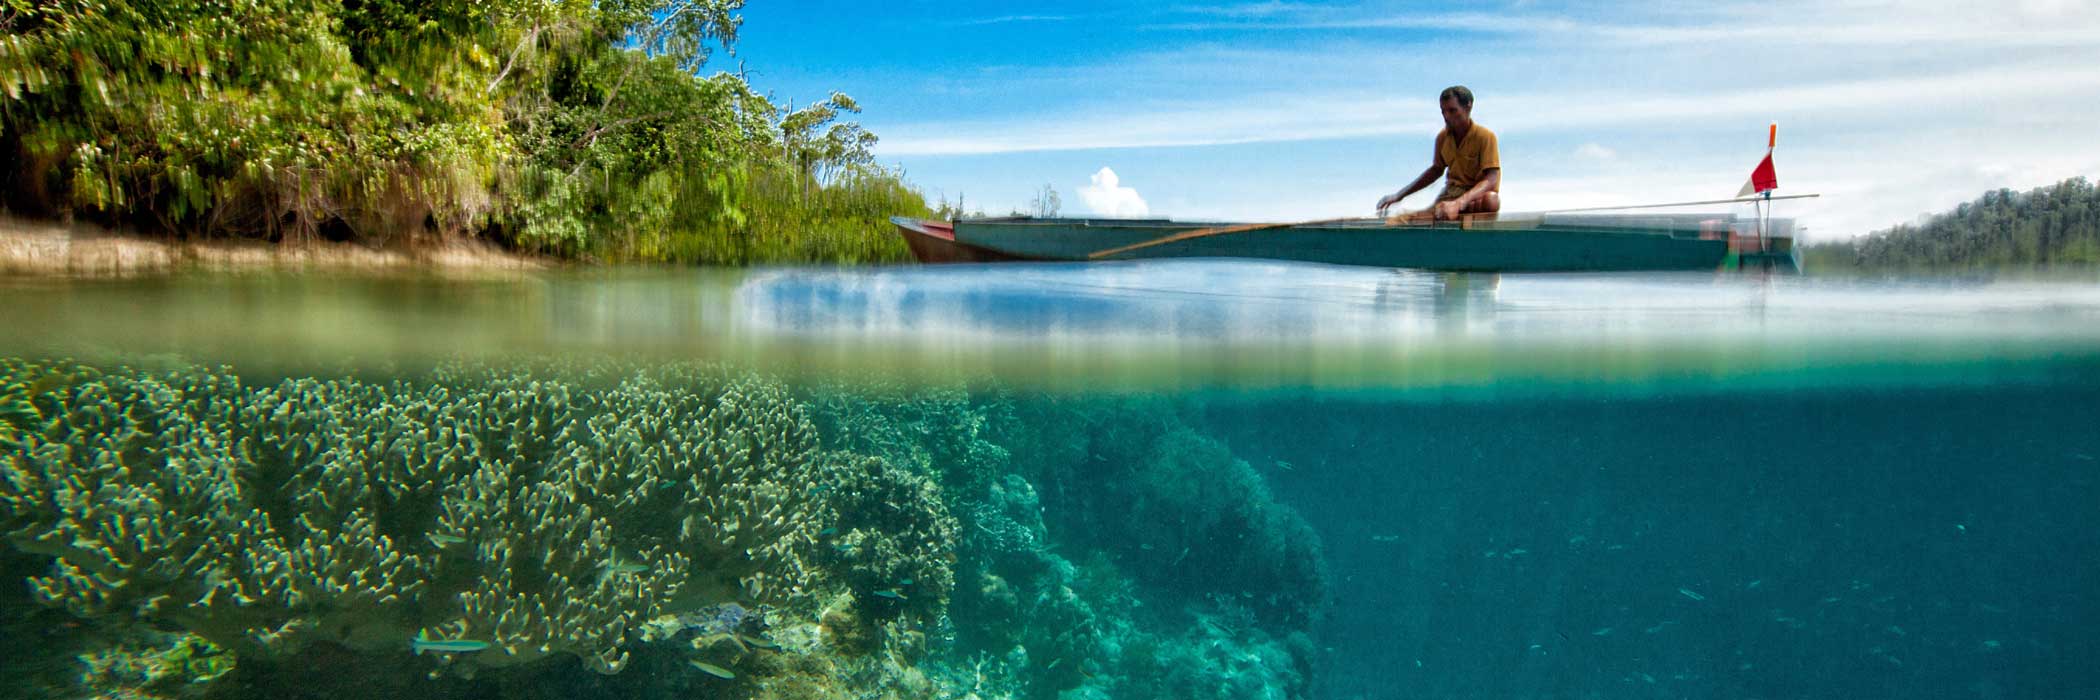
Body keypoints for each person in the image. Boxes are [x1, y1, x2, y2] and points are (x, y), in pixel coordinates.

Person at [1376, 86, 1501, 222]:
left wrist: (1459, 203)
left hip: (1473, 198)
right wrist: (1399, 195)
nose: (1447, 116)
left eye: (1452, 110)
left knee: (1491, 200)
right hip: (1449, 196)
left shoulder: (1485, 137)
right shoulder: (1442, 138)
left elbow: (1491, 179)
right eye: (1443, 112)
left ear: (1468, 107)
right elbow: (1436, 170)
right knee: (1402, 221)